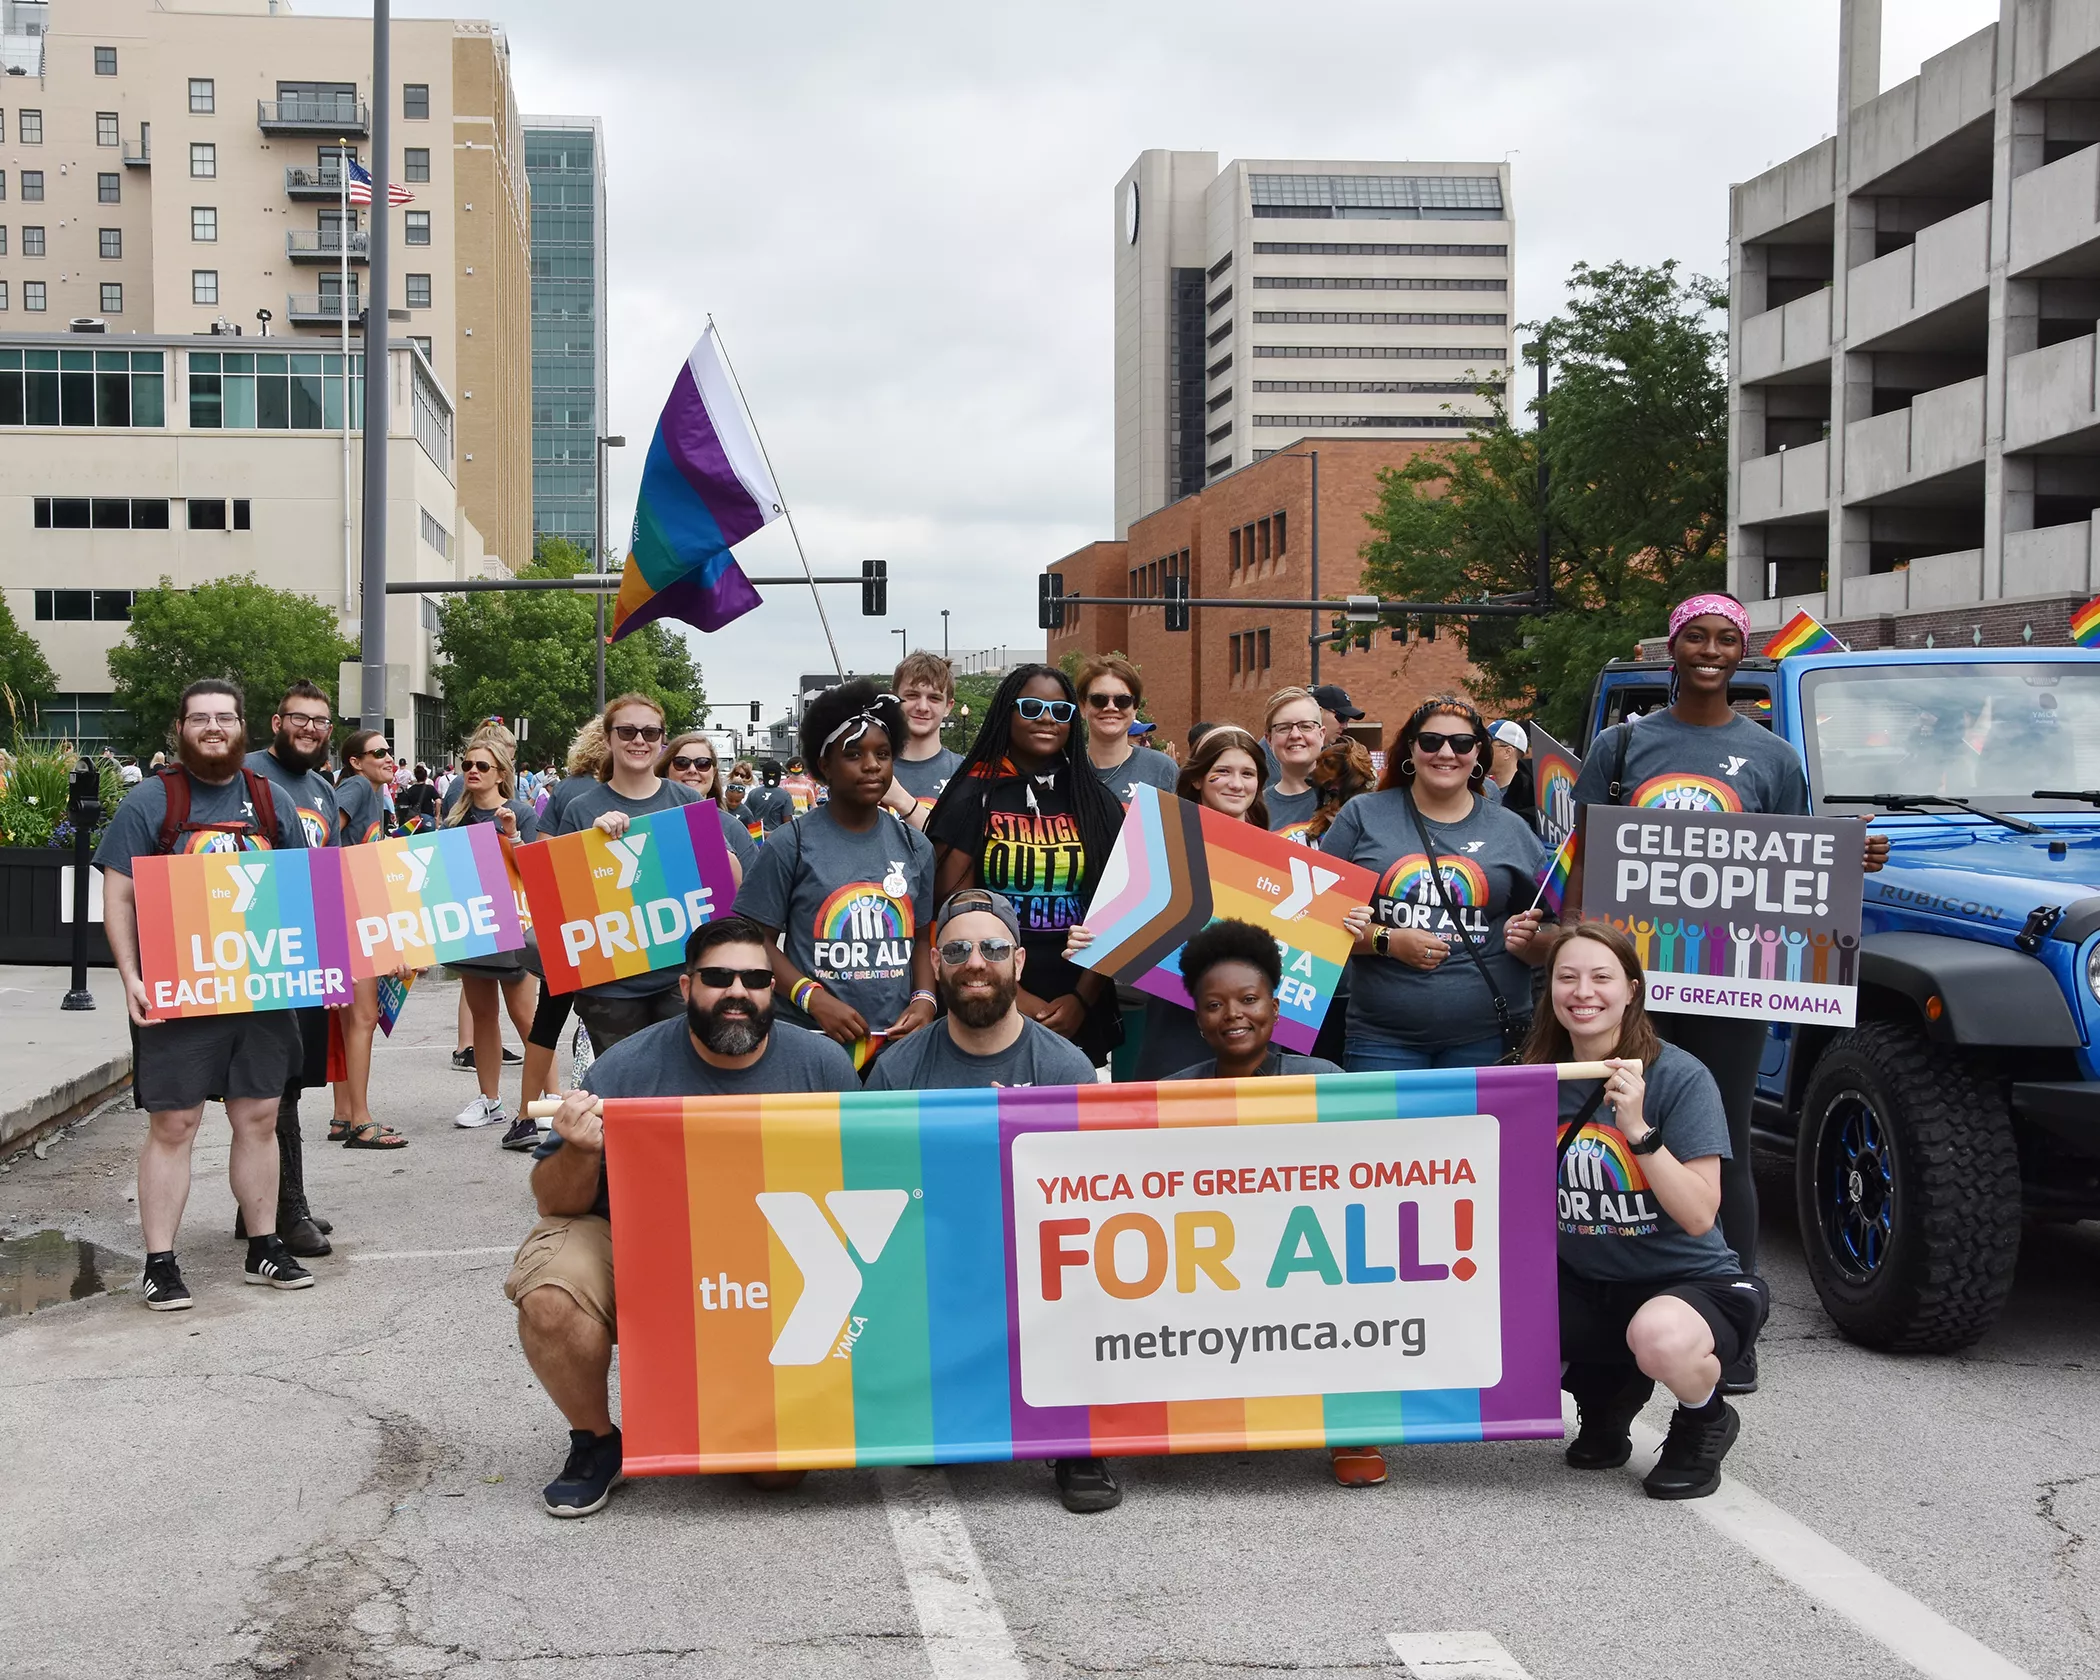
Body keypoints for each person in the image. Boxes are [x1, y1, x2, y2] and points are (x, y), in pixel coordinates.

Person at [1567, 591, 1887, 1393]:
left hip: (1730, 983)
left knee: (1725, 1144)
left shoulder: (1771, 757)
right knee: (1616, 1131)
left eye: (1726, 640)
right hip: (1636, 981)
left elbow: (1799, 864)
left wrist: (1851, 862)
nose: (1710, 651)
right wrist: (1570, 951)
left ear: (1742, 655)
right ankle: (1623, 1303)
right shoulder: (1622, 743)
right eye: (1696, 638)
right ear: (1672, 649)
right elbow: (1584, 860)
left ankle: (1730, 1323)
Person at [507, 916, 859, 1516]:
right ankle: (596, 1441)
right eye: (718, 977)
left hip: (780, 1255)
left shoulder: (823, 1066)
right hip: (643, 1244)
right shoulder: (623, 1071)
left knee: (778, 1480)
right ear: (685, 986)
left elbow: (871, 1188)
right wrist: (580, 1149)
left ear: (773, 988)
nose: (738, 992)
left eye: (755, 978)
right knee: (550, 1291)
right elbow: (553, 1203)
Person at [865, 890, 1107, 1510]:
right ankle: (937, 1399)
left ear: (1020, 963)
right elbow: (876, 1187)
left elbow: (1089, 1193)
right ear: (937, 964)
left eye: (994, 948)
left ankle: (1078, 1443)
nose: (977, 962)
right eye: (958, 949)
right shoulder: (898, 1070)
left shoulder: (1065, 1068)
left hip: (1036, 1246)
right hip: (939, 1246)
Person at [1525, 922, 1768, 1500]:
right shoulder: (1532, 1076)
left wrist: (1638, 1131)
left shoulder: (1680, 1076)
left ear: (1632, 990)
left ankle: (1703, 1419)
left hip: (1688, 1282)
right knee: (1501, 1318)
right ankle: (1605, 1400)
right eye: (1568, 978)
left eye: (1601, 978)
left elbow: (1700, 1215)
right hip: (1588, 1281)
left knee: (1659, 1336)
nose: (1583, 992)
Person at [95, 679, 314, 1310]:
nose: (213, 727)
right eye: (200, 719)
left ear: (244, 726)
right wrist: (131, 976)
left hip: (260, 987)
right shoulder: (150, 802)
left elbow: (303, 890)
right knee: (175, 1123)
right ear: (181, 727)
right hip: (177, 989)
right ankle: (160, 1262)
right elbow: (119, 895)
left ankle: (264, 1246)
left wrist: (313, 969)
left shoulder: (270, 803)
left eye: (224, 718)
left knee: (260, 1118)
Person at [1320, 696, 1551, 1072]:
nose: (1446, 753)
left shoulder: (1511, 830)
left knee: (1479, 1135)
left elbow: (1556, 929)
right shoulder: (1362, 816)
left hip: (1489, 1038)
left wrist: (1530, 940)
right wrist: (1387, 941)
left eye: (1461, 743)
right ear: (1411, 747)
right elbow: (1316, 918)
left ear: (1479, 753)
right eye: (1431, 741)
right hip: (1382, 1039)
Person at [927, 664, 1127, 1065]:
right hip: (988, 990)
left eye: (1061, 711)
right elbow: (952, 910)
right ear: (1008, 713)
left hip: (1079, 993)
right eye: (1032, 708)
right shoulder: (973, 796)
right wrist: (1018, 999)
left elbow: (1118, 910)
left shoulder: (1093, 800)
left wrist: (1080, 1000)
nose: (1047, 719)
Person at [739, 682, 937, 1073]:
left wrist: (925, 999)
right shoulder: (790, 843)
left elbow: (922, 938)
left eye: (882, 754)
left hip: (897, 1046)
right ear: (824, 765)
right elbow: (752, 940)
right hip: (812, 1042)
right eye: (853, 754)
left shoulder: (915, 846)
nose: (871, 765)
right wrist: (813, 998)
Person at [1066, 727, 1271, 1080]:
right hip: (1173, 1025)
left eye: (1247, 773)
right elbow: (1122, 940)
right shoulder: (1160, 848)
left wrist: (1344, 922)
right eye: (1221, 771)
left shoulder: (1281, 863)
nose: (1236, 784)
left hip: (1255, 1033)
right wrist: (1093, 942)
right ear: (1197, 780)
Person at [243, 681, 345, 1252]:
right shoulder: (248, 775)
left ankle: (261, 1203)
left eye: (320, 721)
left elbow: (331, 875)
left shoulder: (322, 789)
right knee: (270, 1084)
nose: (309, 728)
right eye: (299, 719)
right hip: (258, 945)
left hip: (307, 947)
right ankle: (287, 1211)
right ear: (276, 721)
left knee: (293, 1083)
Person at [551, 694, 701, 1056]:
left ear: (662, 740)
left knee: (679, 1087)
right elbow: (561, 900)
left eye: (650, 732)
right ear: (608, 739)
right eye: (628, 731)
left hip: (677, 977)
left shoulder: (688, 803)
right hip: (609, 985)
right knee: (622, 1091)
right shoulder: (581, 809)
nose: (639, 740)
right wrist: (591, 844)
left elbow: (728, 884)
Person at [505, 719, 615, 1146]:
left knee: (547, 1021)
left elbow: (544, 858)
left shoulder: (566, 789)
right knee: (609, 1019)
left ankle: (524, 1114)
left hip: (570, 920)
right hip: (617, 924)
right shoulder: (630, 791)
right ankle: (603, 1110)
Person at [445, 736, 542, 1136]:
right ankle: (490, 1101)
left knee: (527, 1018)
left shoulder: (520, 812)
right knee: (482, 1015)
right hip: (472, 926)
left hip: (513, 927)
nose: (472, 770)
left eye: (482, 766)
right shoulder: (455, 817)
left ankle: (548, 1099)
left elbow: (533, 872)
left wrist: (513, 834)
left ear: (501, 773)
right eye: (468, 763)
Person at [328, 729, 409, 1153]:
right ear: (356, 761)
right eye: (379, 752)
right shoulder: (358, 787)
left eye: (390, 751)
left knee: (349, 1022)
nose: (388, 757)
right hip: (350, 912)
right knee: (361, 1019)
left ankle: (344, 1114)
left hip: (352, 910)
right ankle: (360, 1120)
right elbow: (326, 837)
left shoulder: (374, 791)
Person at [1076, 655, 1178, 807]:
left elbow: (1175, 828)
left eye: (1122, 700)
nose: (1111, 707)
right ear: (1083, 707)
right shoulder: (1064, 769)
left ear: (1135, 708)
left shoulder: (1162, 769)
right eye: (1099, 699)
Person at [879, 650, 964, 831]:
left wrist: (900, 799)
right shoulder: (869, 769)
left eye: (934, 698)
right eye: (912, 695)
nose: (922, 707)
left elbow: (959, 847)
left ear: (948, 706)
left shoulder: (965, 773)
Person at [657, 729, 758, 873]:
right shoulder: (645, 820)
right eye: (682, 763)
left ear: (714, 772)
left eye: (703, 763)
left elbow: (756, 888)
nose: (692, 770)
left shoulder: (733, 829)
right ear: (666, 770)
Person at [1262, 686, 1327, 842]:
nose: (1295, 735)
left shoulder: (1351, 799)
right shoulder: (1254, 809)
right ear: (1269, 739)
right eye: (1284, 728)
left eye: (1306, 726)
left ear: (1321, 734)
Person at [1485, 720, 1537, 827]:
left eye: (1488, 745)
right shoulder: (1482, 790)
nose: (1481, 751)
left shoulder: (1527, 800)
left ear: (1507, 752)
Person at [743, 760, 796, 834]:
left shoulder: (753, 793)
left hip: (756, 836)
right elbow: (787, 822)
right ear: (779, 776)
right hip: (776, 837)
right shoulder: (785, 795)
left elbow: (746, 816)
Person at [397, 763, 438, 832]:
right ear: (425, 777)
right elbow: (438, 801)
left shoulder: (410, 790)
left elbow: (405, 807)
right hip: (428, 818)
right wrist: (437, 815)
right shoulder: (430, 788)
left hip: (415, 820)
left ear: (416, 777)